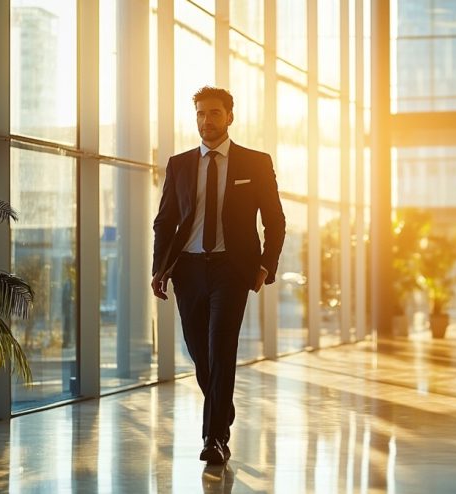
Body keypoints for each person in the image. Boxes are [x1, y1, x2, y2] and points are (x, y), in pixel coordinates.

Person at [151, 86, 285, 465]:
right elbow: (165, 221)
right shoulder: (179, 164)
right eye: (200, 114)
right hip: (188, 269)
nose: (206, 121)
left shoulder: (255, 163)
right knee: (200, 353)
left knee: (221, 347)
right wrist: (159, 269)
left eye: (213, 113)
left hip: (231, 268)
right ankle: (221, 408)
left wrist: (265, 266)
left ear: (230, 116)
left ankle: (215, 438)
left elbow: (275, 220)